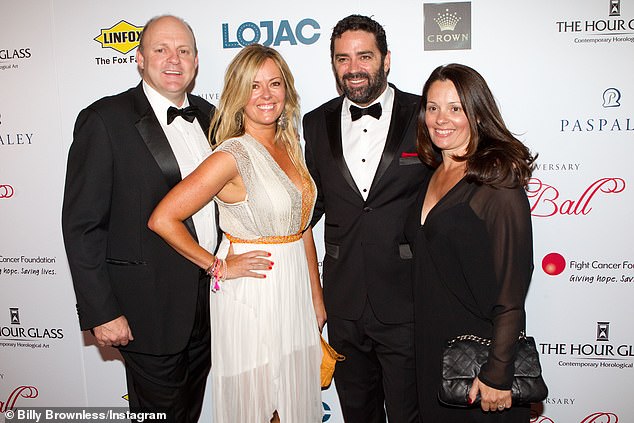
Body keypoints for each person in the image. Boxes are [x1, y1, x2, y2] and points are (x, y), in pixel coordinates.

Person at [148, 44, 325, 423]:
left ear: (287, 90)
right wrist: (217, 266)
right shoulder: (231, 155)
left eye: (274, 84)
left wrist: (316, 298)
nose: (265, 95)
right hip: (253, 294)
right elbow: (163, 218)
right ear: (237, 94)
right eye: (253, 85)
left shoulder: (290, 145)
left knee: (294, 404)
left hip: (294, 293)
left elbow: (302, 227)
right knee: (263, 406)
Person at [62, 15, 217, 422]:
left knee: (190, 411)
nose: (173, 60)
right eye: (161, 49)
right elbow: (82, 226)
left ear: (197, 61)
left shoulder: (211, 116)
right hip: (146, 310)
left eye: (183, 51)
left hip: (211, 304)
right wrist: (101, 311)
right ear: (139, 58)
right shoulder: (104, 120)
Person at [303, 14, 428, 423]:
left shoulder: (425, 114)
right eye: (342, 58)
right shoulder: (315, 122)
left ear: (386, 60)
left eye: (364, 56)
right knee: (358, 413)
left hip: (407, 298)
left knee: (410, 414)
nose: (353, 68)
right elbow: (308, 206)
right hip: (344, 302)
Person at [406, 63, 536, 422]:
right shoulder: (433, 174)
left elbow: (512, 291)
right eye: (432, 107)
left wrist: (498, 371)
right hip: (433, 350)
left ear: (476, 114)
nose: (441, 118)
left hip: (479, 360)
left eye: (455, 108)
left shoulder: (497, 185)